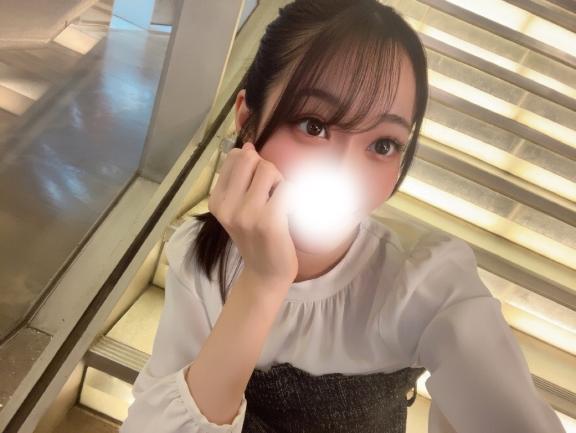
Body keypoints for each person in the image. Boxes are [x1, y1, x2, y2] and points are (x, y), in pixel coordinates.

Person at [119, 1, 566, 432]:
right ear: (248, 121)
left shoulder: (424, 282)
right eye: (313, 125)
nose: (344, 173)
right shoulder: (202, 258)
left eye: (383, 145)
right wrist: (263, 281)